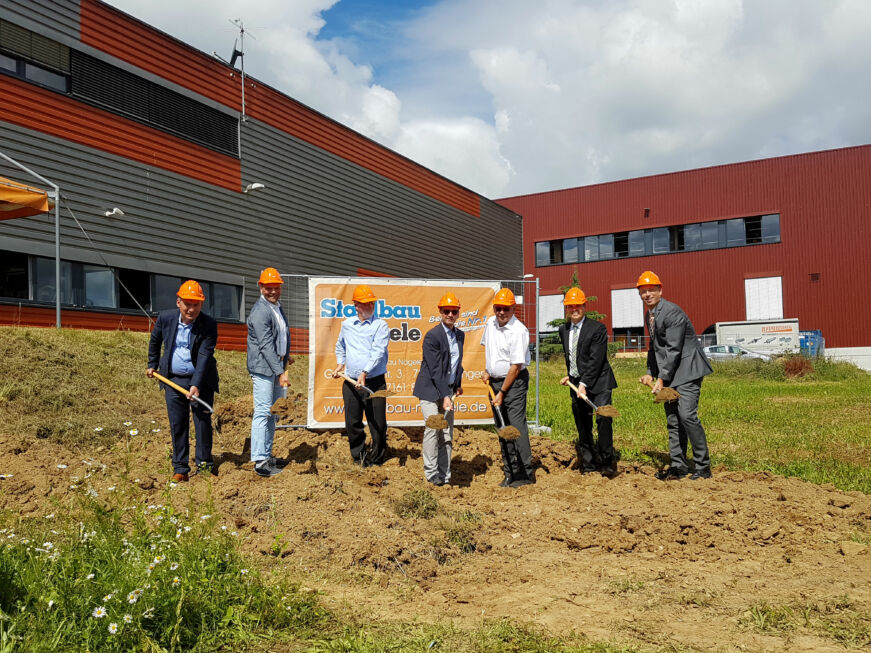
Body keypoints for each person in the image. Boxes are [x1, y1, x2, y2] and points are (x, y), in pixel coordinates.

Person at [636, 271, 714, 481]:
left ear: (660, 290)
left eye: (651, 290)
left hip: (687, 370)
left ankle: (703, 467)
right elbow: (655, 347)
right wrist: (649, 372)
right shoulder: (650, 315)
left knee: (687, 416)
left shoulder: (672, 312)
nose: (647, 294)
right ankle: (678, 466)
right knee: (673, 419)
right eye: (643, 291)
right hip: (670, 372)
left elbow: (673, 349)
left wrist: (661, 379)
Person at [147, 280, 219, 482]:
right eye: (187, 303)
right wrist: (152, 363)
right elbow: (155, 341)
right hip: (172, 380)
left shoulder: (209, 324)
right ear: (178, 302)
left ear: (201, 305)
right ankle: (181, 468)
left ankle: (204, 465)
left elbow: (205, 355)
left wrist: (195, 384)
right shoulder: (166, 318)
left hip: (202, 380)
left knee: (202, 422)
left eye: (196, 304)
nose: (191, 309)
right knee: (178, 424)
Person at [558, 287, 618, 477]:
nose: (574, 309)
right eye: (570, 306)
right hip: (577, 384)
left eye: (578, 305)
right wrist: (571, 375)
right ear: (566, 308)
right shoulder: (564, 329)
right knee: (582, 423)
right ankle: (589, 464)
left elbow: (596, 360)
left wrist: (584, 383)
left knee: (603, 419)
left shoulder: (597, 329)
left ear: (584, 306)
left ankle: (607, 463)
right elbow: (572, 357)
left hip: (599, 382)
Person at [481, 288, 535, 488]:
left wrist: (502, 392)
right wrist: (488, 371)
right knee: (501, 427)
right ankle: (509, 471)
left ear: (513, 308)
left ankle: (525, 473)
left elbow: (516, 366)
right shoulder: (490, 324)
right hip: (495, 383)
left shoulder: (518, 330)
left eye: (505, 309)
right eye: (498, 308)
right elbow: (491, 351)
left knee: (515, 426)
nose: (501, 312)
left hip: (514, 383)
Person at [332, 284, 390, 466]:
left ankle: (377, 459)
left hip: (374, 382)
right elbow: (340, 345)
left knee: (378, 423)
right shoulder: (347, 325)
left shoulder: (380, 325)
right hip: (350, 382)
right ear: (356, 305)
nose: (370, 307)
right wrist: (340, 363)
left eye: (372, 303)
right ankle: (359, 457)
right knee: (353, 422)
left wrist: (365, 372)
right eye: (365, 304)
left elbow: (378, 351)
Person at [412, 292, 465, 486]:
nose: (450, 314)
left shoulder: (460, 335)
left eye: (454, 311)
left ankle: (445, 475)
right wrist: (445, 396)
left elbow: (456, 363)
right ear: (440, 312)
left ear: (458, 313)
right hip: (430, 391)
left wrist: (457, 384)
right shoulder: (432, 336)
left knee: (447, 434)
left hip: (448, 391)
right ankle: (431, 474)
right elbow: (435, 370)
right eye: (446, 311)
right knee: (433, 429)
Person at [247, 267, 293, 477]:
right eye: (268, 288)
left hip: (276, 365)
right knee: (264, 411)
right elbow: (265, 345)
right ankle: (259, 461)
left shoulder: (276, 307)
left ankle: (267, 455)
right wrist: (281, 371)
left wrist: (285, 354)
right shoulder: (260, 312)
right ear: (261, 287)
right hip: (264, 369)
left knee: (273, 413)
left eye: (275, 288)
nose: (272, 291)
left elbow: (279, 336)